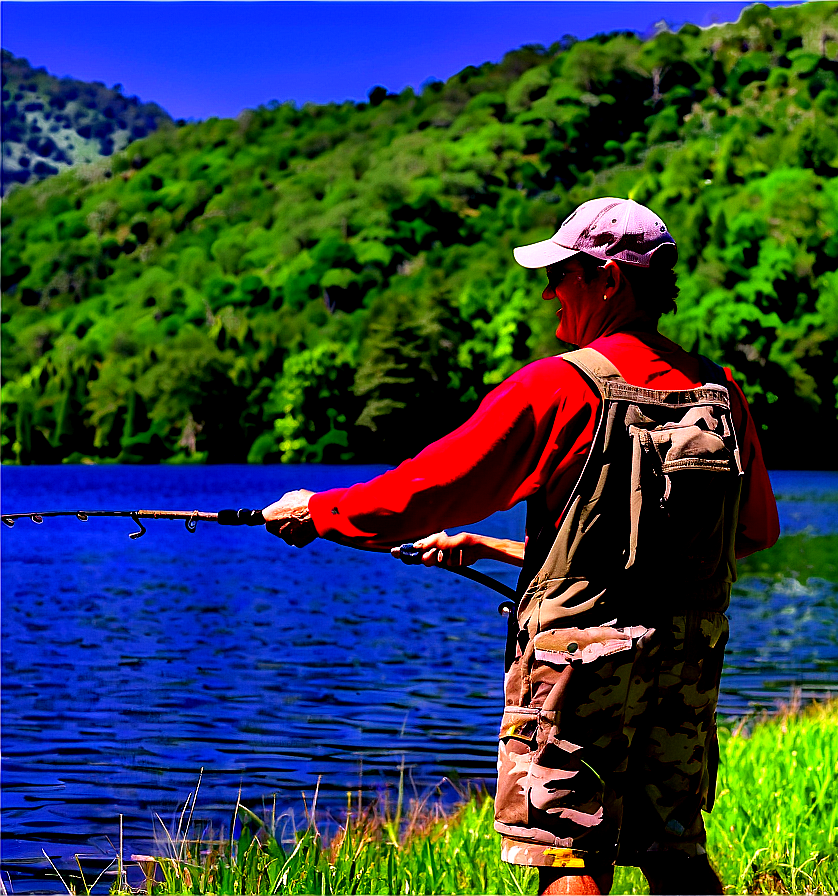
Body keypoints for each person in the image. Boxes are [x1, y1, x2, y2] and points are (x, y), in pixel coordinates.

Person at [263, 197, 779, 895]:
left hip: (574, 672)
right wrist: (497, 549)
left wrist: (319, 510)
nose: (548, 291)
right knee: (674, 852)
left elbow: (424, 491)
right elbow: (751, 535)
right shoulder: (719, 395)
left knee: (566, 853)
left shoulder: (558, 387)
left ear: (607, 280)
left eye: (562, 272)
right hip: (686, 666)